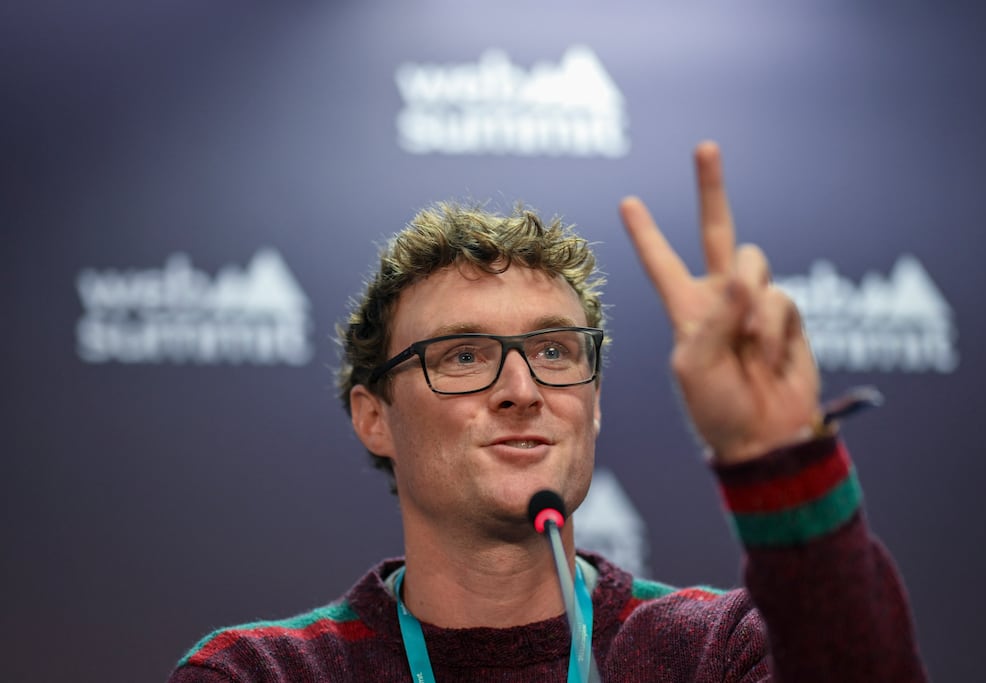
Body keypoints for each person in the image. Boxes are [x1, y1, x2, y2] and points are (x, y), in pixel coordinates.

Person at [168, 142, 928, 682]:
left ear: (592, 407)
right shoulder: (260, 671)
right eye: (463, 355)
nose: (522, 388)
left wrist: (779, 456)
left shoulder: (718, 651)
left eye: (556, 352)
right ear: (374, 416)